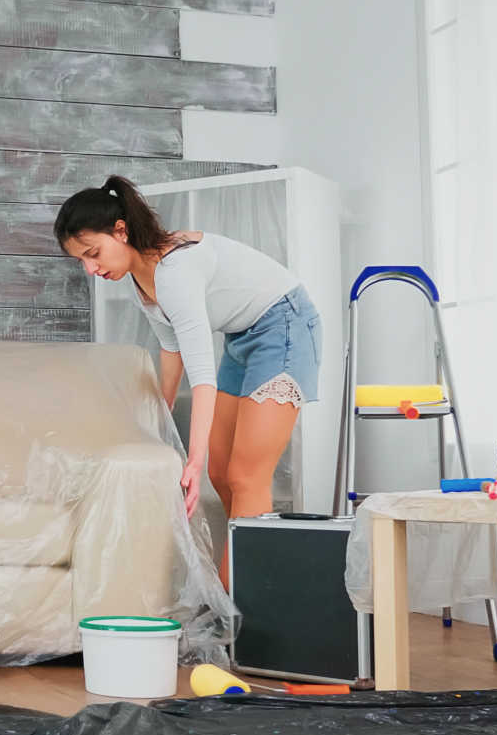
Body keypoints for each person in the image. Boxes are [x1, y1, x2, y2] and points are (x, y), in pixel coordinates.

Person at [56, 175, 322, 589]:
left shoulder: (175, 272)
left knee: (247, 477)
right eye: (82, 262)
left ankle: (238, 609)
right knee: (221, 473)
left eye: (93, 253)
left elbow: (201, 377)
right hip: (241, 336)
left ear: (121, 231)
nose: (91, 269)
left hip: (283, 325)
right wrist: (158, 429)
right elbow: (171, 352)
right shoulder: (138, 280)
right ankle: (251, 589)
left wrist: (190, 459)